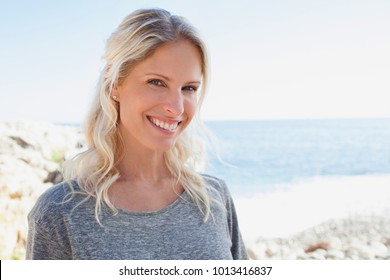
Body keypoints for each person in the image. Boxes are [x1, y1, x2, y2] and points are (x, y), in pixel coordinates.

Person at [26, 8, 248, 260]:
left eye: (188, 88)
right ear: (114, 84)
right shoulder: (60, 212)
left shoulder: (215, 198)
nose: (176, 108)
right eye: (157, 82)